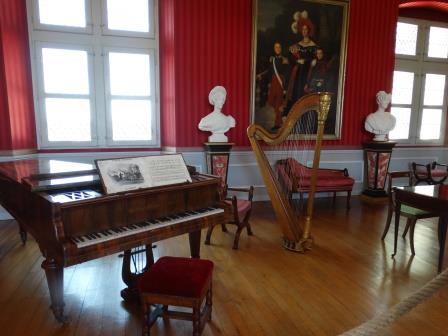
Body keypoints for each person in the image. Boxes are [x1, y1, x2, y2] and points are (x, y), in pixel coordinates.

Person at [286, 13, 318, 112]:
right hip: (298, 72)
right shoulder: (297, 45)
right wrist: (297, 60)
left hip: (308, 72)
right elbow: (291, 59)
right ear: (301, 31)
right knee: (296, 91)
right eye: (303, 29)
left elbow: (316, 59)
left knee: (305, 91)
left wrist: (311, 61)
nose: (304, 31)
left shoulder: (314, 46)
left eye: (306, 29)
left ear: (309, 31)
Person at [257, 42, 289, 130]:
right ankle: (280, 118)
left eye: (279, 47)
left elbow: (287, 74)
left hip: (280, 82)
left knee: (279, 103)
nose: (277, 48)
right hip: (274, 83)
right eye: (276, 47)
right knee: (271, 101)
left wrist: (285, 87)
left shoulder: (284, 60)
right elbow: (270, 71)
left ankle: (277, 123)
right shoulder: (272, 59)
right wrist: (261, 75)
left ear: (281, 48)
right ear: (274, 49)